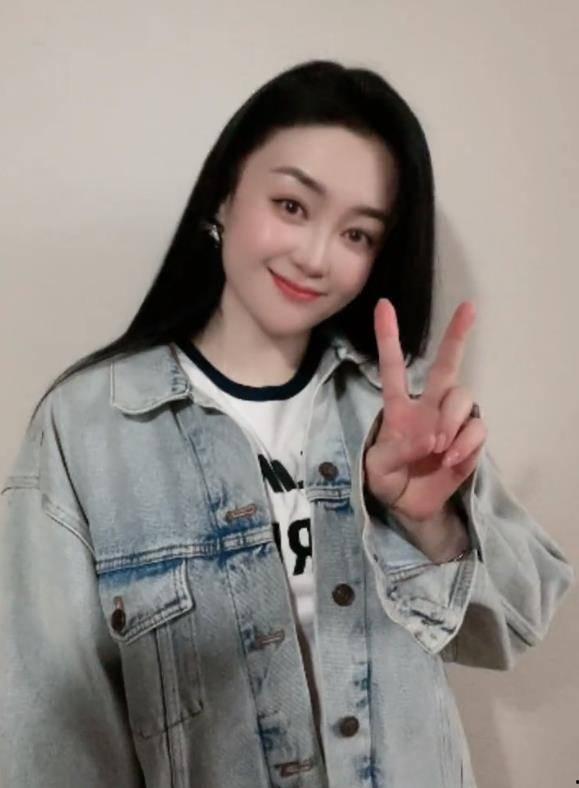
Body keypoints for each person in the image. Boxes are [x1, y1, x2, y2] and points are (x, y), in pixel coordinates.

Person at [0, 59, 574, 788]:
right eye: (292, 206)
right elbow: (49, 732)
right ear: (224, 194)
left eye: (358, 234)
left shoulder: (397, 415)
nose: (315, 257)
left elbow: (513, 626)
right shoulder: (87, 429)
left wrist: (429, 524)